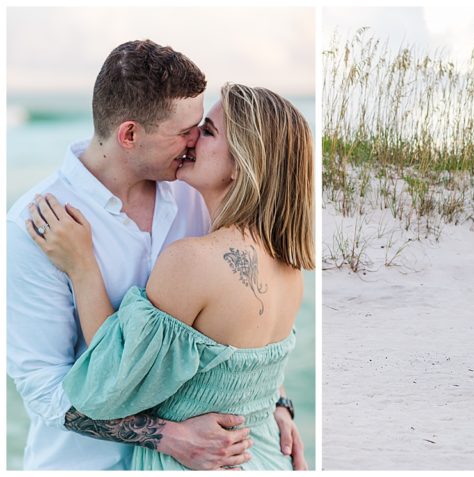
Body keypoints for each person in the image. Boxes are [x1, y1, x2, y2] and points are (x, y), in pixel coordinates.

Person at [6, 40, 306, 470]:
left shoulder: (196, 194)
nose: (192, 142)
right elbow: (43, 391)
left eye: (204, 128)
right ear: (130, 134)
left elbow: (239, 337)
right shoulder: (37, 225)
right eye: (187, 131)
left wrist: (275, 402)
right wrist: (172, 438)